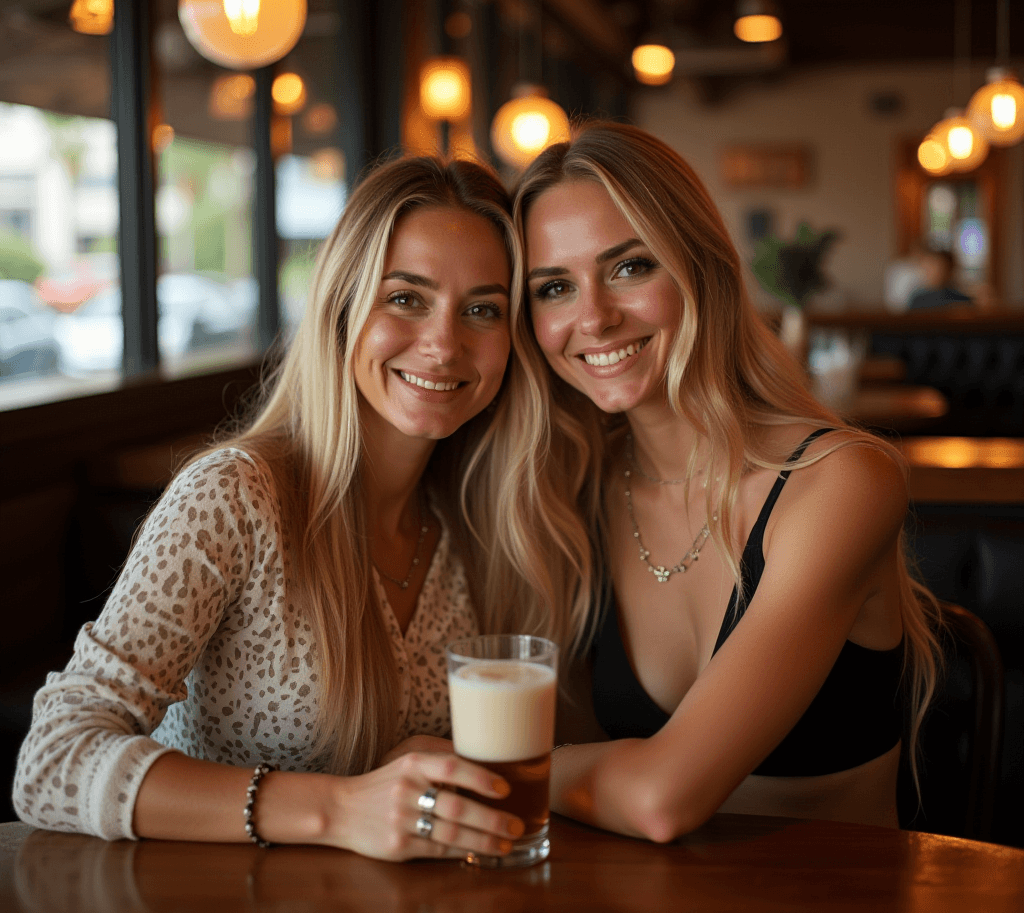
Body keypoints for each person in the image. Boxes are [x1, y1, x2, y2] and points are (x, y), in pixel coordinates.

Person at [14, 156, 565, 861]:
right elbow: (51, 763)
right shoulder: (234, 496)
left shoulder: (478, 521)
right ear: (341, 306)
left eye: (482, 310)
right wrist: (337, 810)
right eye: (405, 298)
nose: (444, 342)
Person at [510, 122, 942, 839]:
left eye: (629, 267)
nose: (593, 316)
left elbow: (658, 799)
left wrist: (481, 765)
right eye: (554, 287)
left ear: (699, 267)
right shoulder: (575, 494)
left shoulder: (840, 483)